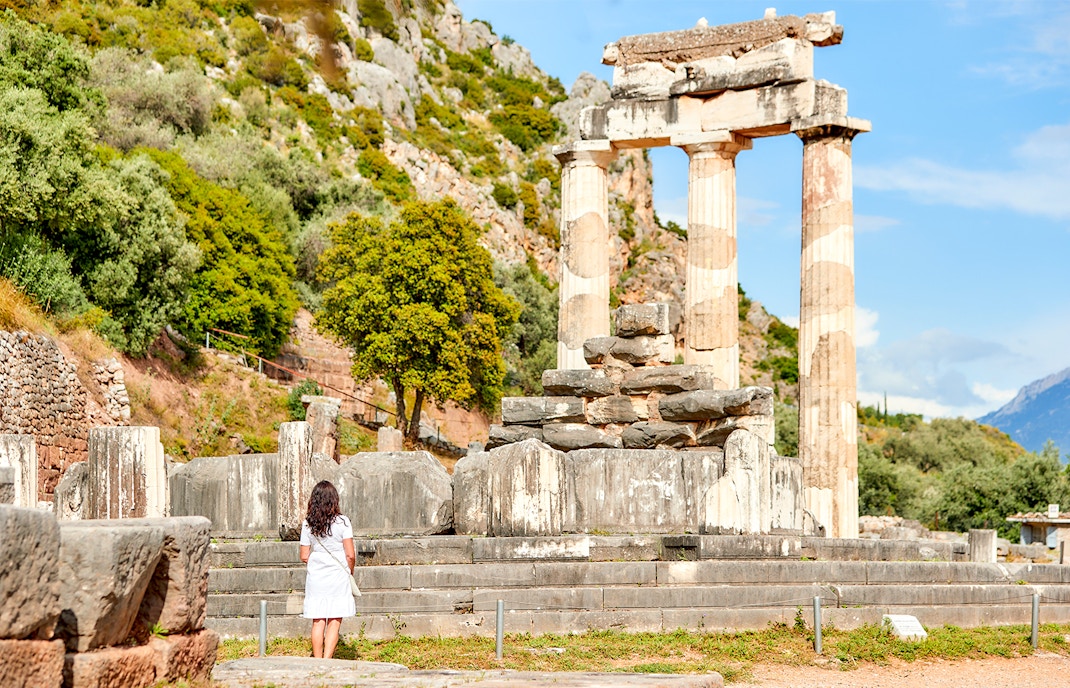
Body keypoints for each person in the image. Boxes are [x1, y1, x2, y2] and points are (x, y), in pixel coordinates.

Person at [299, 480, 356, 658]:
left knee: (318, 620)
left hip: (316, 576)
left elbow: (304, 555)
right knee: (334, 618)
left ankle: (316, 660)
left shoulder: (308, 523)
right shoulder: (343, 522)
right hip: (338, 574)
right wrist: (350, 571)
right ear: (334, 500)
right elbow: (350, 555)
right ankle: (327, 659)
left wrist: (317, 565)